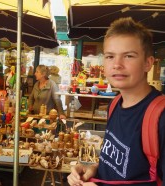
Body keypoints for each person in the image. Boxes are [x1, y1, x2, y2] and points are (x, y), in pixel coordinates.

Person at [68, 17, 165, 186]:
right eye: (110, 56)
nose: (117, 64)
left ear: (148, 63)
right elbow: (122, 169)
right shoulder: (115, 104)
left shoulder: (161, 117)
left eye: (128, 56)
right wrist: (92, 169)